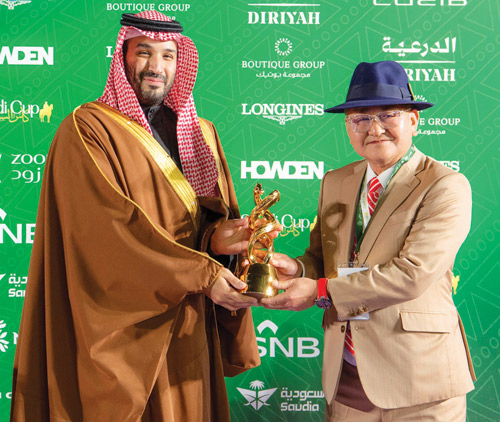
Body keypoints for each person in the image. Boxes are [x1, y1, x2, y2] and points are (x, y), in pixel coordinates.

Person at [11, 11, 263, 422]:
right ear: (121, 56)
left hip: (189, 322)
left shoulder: (199, 131)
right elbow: (108, 234)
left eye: (168, 56)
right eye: (144, 52)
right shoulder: (87, 129)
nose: (156, 67)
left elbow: (199, 219)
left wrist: (218, 241)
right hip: (124, 333)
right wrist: (200, 273)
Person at [262, 61, 475, 421]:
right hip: (347, 377)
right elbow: (322, 259)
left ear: (413, 120)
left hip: (421, 383)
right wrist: (297, 268)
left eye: (388, 115)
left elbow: (411, 275)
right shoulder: (336, 180)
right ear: (348, 126)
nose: (375, 129)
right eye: (360, 118)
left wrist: (319, 291)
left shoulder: (444, 185)